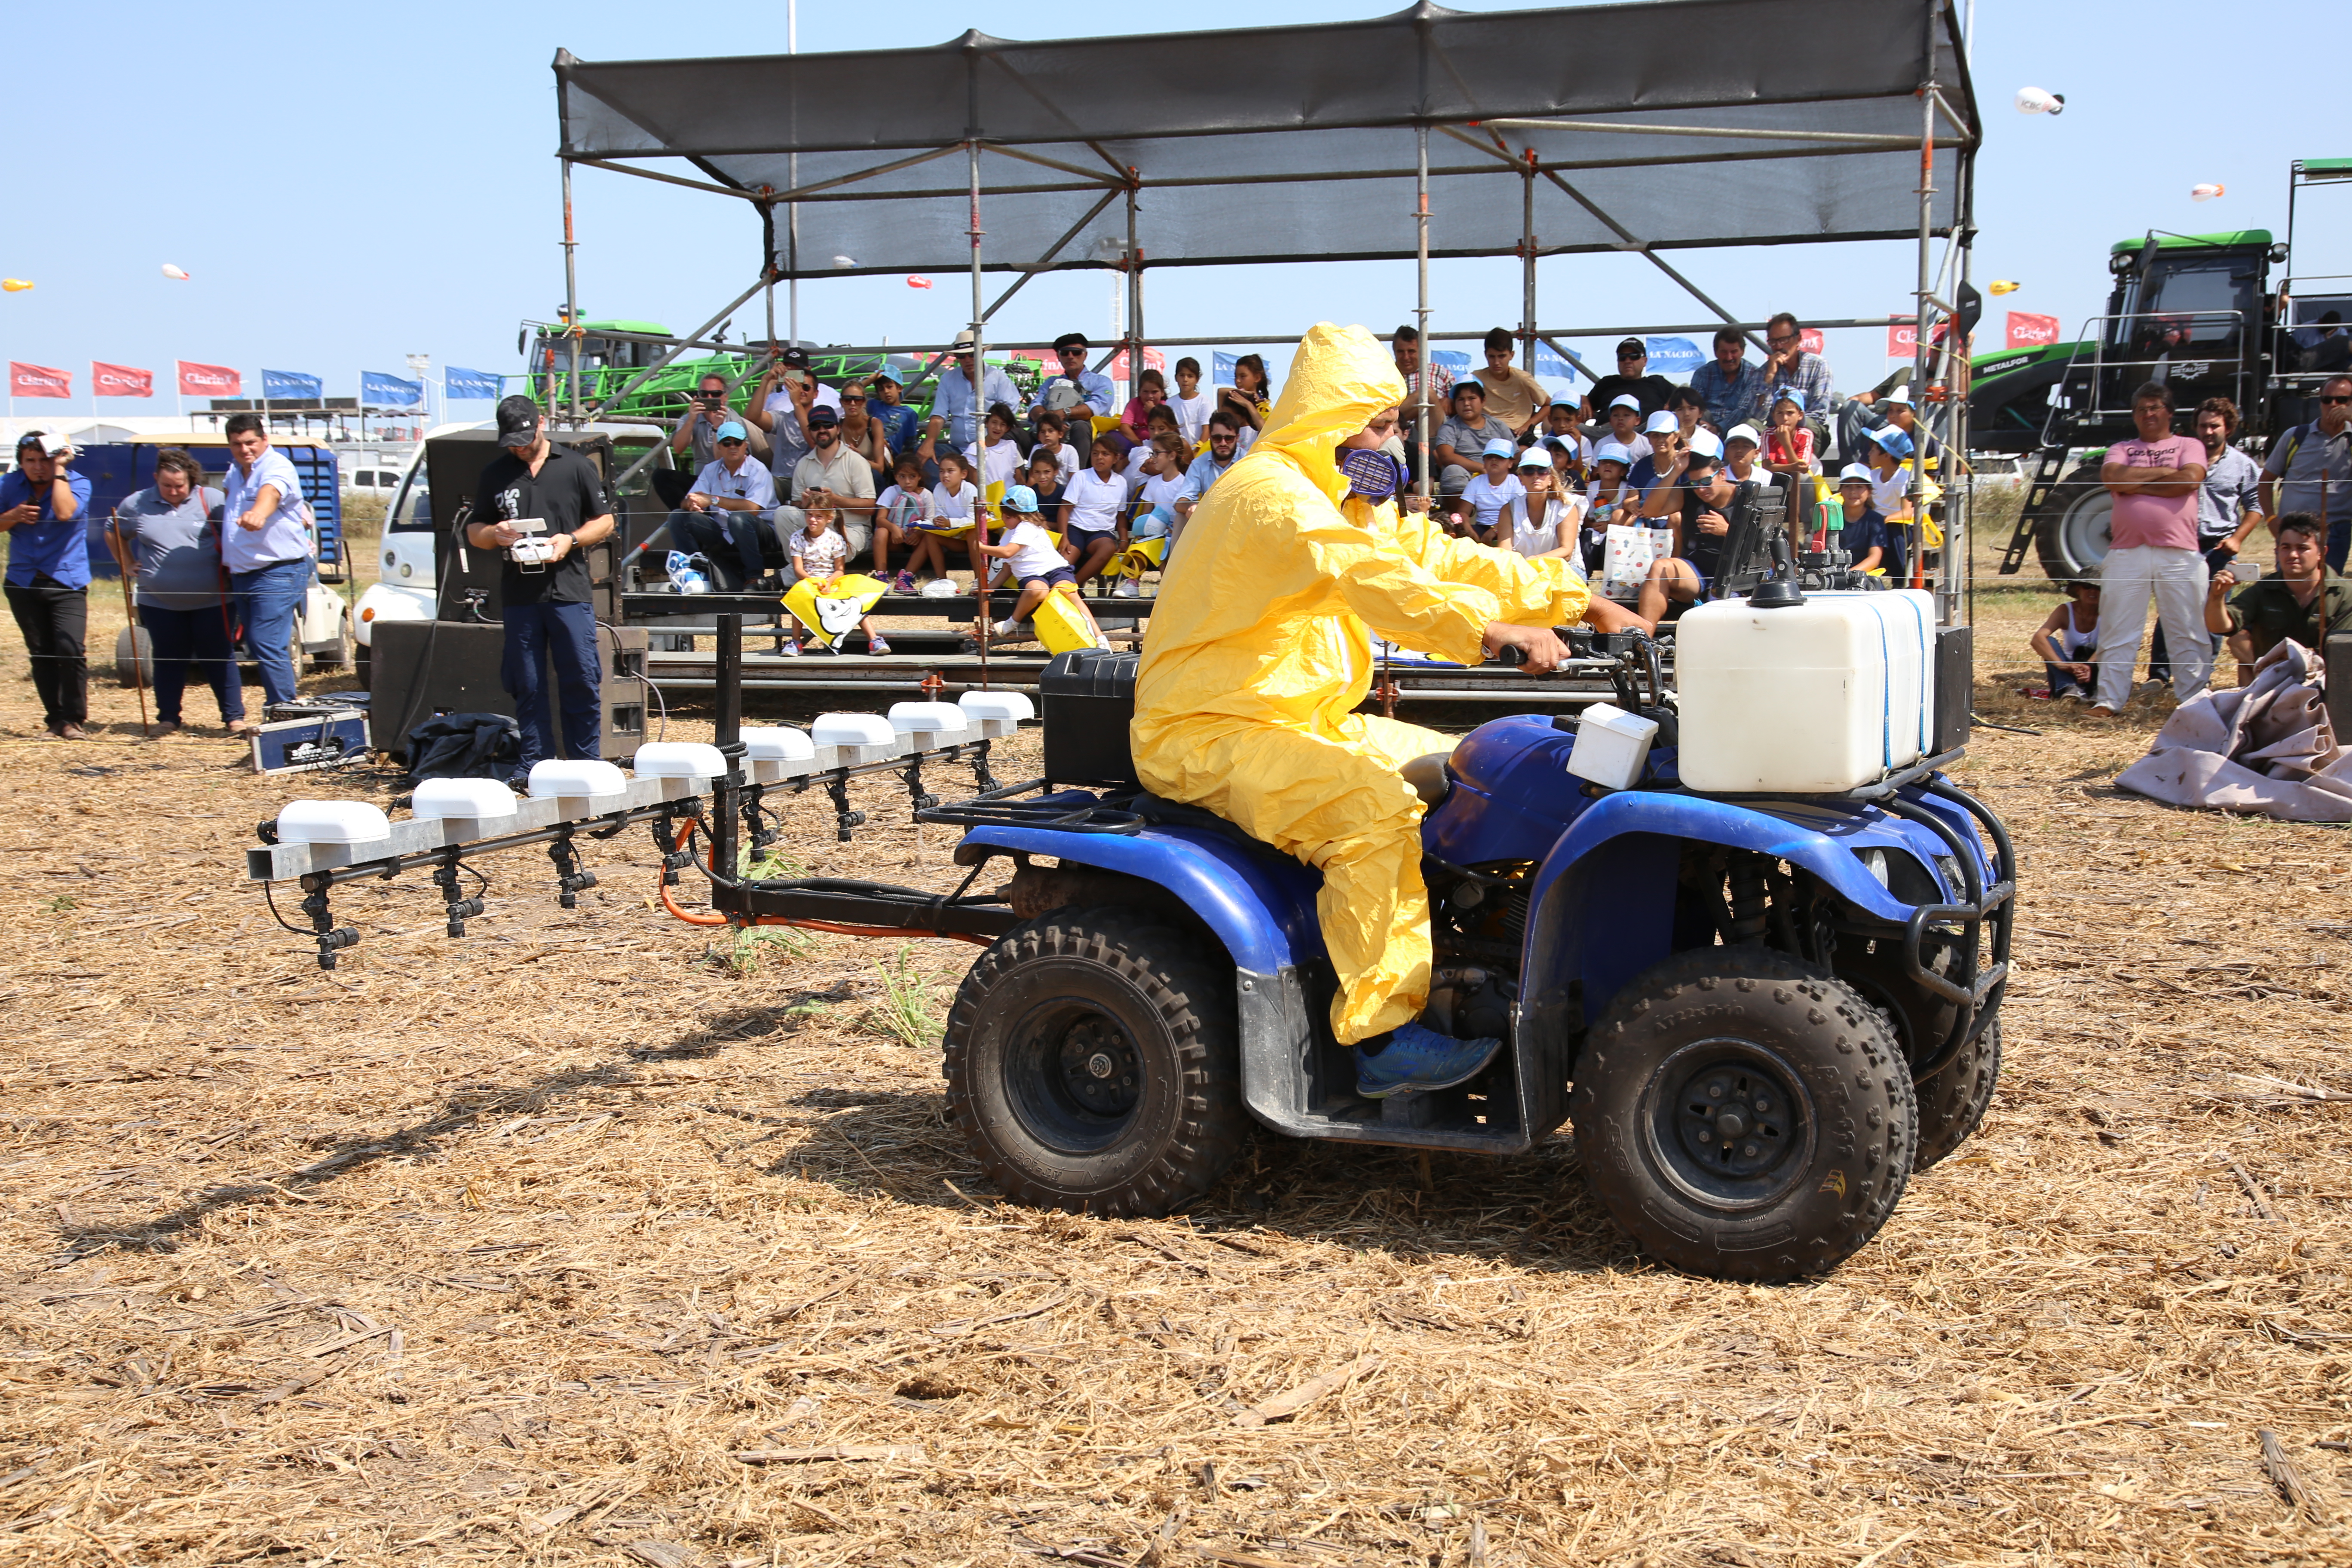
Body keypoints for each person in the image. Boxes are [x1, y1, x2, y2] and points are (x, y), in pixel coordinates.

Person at [1133, 323, 1583, 1096]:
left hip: (1299, 721)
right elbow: (1373, 578)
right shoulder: (1273, 497)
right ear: (1327, 418)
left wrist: (1578, 597)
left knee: (1479, 768)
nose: (1390, 439)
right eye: (1376, 422)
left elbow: (1433, 556)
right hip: (1209, 731)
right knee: (1374, 809)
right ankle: (1384, 1037)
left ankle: (1467, 951)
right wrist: (1489, 632)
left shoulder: (1336, 499)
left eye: (1392, 422)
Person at [466, 396, 615, 772]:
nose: (518, 447)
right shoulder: (495, 473)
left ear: (541, 424)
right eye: (510, 441)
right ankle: (535, 763)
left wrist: (571, 540)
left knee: (580, 677)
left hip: (569, 591)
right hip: (520, 595)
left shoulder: (577, 466)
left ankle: (585, 764)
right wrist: (493, 533)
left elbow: (605, 521)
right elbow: (474, 531)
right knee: (527, 682)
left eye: (524, 438)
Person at [2089, 382, 2209, 714]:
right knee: (2118, 628)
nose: (2148, 414)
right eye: (2141, 409)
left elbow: (2189, 481)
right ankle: (2109, 701)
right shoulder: (2121, 448)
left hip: (2180, 552)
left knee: (2187, 628)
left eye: (2155, 407)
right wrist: (2165, 475)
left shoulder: (2190, 444)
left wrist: (2136, 482)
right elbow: (2113, 478)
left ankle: (2195, 700)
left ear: (2169, 412)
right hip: (2128, 551)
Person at [107, 448, 240, 736]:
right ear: (156, 478)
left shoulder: (213, 500)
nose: (173, 491)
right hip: (159, 602)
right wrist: (127, 563)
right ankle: (168, 718)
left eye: (180, 486)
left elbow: (234, 534)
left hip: (214, 600)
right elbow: (113, 529)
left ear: (192, 480)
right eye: (166, 485)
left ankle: (233, 718)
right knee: (168, 658)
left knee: (219, 656)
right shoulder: (137, 503)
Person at [2151, 396, 2266, 687]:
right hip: (2181, 544)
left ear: (2228, 428)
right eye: (2203, 426)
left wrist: (2237, 539)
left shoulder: (2243, 465)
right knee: (2171, 610)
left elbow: (2257, 506)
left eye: (2215, 426)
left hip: (2219, 547)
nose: (2208, 432)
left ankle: (2201, 676)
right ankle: (2159, 676)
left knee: (2214, 611)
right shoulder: (2179, 459)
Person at [221, 413, 317, 714]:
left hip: (278, 570)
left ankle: (284, 709)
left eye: (251, 442)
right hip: (243, 571)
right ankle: (281, 706)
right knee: (258, 643)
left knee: (266, 641)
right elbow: (228, 499)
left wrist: (259, 513)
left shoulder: (277, 466)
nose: (245, 449)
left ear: (265, 440)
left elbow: (270, 493)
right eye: (237, 444)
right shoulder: (234, 472)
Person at [2, 432, 94, 738]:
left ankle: (74, 718)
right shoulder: (8, 485)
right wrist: (11, 516)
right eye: (31, 461)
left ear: (56, 458)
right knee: (40, 653)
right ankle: (55, 720)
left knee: (70, 649)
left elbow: (67, 512)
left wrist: (60, 471)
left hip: (67, 581)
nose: (38, 467)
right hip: (23, 581)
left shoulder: (78, 483)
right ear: (21, 463)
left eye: (45, 459)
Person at [2204, 514, 2352, 686]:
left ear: (2322, 553)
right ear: (2277, 550)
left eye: (2302, 548)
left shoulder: (2345, 594)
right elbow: (2219, 627)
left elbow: (2343, 654)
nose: (2293, 555)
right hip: (2271, 686)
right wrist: (2217, 596)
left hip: (2327, 685)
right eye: (2286, 547)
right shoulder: (2264, 589)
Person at [665, 421, 779, 590]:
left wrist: (713, 500)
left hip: (760, 533)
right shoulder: (711, 469)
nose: (732, 447)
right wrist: (690, 503)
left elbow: (753, 509)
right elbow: (690, 498)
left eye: (738, 442)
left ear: (746, 444)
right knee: (678, 516)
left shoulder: (758, 469)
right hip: (723, 531)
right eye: (727, 443)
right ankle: (691, 573)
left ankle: (754, 577)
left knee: (739, 519)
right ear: (719, 447)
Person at [2261, 374, 2352, 570]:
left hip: (2336, 531)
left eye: (2342, 400)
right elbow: (2266, 481)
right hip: (2294, 529)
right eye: (2327, 399)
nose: (2333, 405)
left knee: (2327, 592)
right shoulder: (2295, 436)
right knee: (2289, 590)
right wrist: (2271, 520)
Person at [1635, 445, 1735, 623]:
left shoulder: (1748, 495)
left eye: (1706, 482)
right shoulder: (1688, 493)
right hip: (1697, 572)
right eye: (1694, 484)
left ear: (1722, 474)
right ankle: (1643, 639)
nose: (1700, 489)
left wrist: (1728, 531)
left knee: (1719, 604)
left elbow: (1764, 543)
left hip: (1736, 575)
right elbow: (1650, 510)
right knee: (1660, 568)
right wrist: (1675, 472)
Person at [979, 485, 1089, 642]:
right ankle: (1012, 622)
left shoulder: (1026, 527)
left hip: (1056, 570)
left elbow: (1008, 552)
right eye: (1004, 514)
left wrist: (981, 548)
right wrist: (987, 589)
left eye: (1008, 516)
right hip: (1034, 578)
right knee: (1037, 590)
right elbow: (1006, 569)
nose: (1004, 519)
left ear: (1024, 516)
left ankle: (1097, 636)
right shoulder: (1009, 534)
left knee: (1068, 592)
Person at [790, 406, 879, 563]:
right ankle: (798, 570)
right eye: (816, 426)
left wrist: (835, 500)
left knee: (827, 545)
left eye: (828, 425)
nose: (822, 430)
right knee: (784, 513)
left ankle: (786, 577)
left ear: (838, 429)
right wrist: (805, 505)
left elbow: (870, 507)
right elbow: (797, 502)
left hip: (852, 528)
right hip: (815, 526)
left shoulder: (856, 461)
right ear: (810, 432)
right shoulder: (803, 464)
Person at [747, 346, 842, 483]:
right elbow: (752, 417)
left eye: (805, 387)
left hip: (809, 482)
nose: (800, 390)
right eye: (789, 371)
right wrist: (766, 380)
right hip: (780, 480)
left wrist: (797, 403)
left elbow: (813, 442)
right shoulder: (782, 417)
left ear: (816, 393)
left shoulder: (823, 421)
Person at [933, 330, 1023, 452]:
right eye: (961, 356)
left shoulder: (999, 378)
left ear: (982, 353)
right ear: (957, 358)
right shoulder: (947, 379)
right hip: (958, 449)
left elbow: (1007, 414)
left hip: (991, 447)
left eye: (972, 354)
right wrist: (928, 444)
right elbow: (938, 415)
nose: (967, 359)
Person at [1059, 438, 1128, 588]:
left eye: (1105, 454)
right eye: (1095, 453)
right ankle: (1056, 588)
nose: (1099, 458)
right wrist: (1064, 538)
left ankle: (1073, 586)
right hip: (1076, 529)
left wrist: (1124, 540)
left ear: (1116, 458)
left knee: (1108, 547)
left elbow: (1121, 515)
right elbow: (1065, 509)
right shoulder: (1081, 476)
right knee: (1064, 562)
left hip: (1101, 533)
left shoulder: (1121, 482)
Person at [1392, 325, 1454, 484]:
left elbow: (1461, 400)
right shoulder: (1386, 375)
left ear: (1421, 351)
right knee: (1424, 397)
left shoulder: (1438, 371)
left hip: (1433, 432)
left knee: (1428, 395)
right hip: (1395, 432)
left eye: (1411, 351)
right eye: (1401, 352)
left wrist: (1449, 400)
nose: (1406, 357)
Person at [671, 371, 767, 472]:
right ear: (698, 396)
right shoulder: (690, 417)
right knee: (662, 476)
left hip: (727, 476)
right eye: (704, 394)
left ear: (725, 397)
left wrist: (717, 428)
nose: (709, 398)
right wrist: (691, 421)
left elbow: (723, 460)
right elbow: (678, 449)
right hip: (701, 479)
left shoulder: (733, 420)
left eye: (716, 394)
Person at [875, 451, 942, 590]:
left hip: (915, 542)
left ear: (919, 477)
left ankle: (905, 578)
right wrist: (894, 529)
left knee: (929, 537)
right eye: (902, 477)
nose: (907, 482)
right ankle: (881, 577)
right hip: (895, 541)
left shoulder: (926, 495)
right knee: (881, 532)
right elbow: (880, 519)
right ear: (896, 477)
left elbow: (930, 522)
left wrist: (919, 534)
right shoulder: (891, 491)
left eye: (912, 477)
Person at [1433, 380, 1514, 494]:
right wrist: (1482, 468)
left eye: (1472, 398)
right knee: (1452, 471)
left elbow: (1514, 454)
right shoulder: (1449, 428)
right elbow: (1446, 456)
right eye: (1461, 400)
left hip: (1497, 474)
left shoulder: (1499, 426)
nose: (1466, 403)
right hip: (1465, 476)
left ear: (1483, 401)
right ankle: (1459, 512)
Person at [2030, 579, 2101, 701]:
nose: (2093, 591)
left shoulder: (2111, 613)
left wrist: (2088, 665)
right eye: (2087, 586)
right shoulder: (2065, 610)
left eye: (2099, 587)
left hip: (2097, 670)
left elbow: (2112, 644)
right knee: (2049, 642)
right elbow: (2038, 639)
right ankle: (2069, 688)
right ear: (2078, 590)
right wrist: (2062, 665)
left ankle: (2098, 691)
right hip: (2067, 671)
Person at [1173, 410, 1244, 532]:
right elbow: (1180, 502)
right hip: (1209, 520)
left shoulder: (1248, 461)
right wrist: (1191, 506)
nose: (1223, 443)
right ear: (1210, 437)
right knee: (1181, 518)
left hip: (1240, 520)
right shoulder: (1199, 463)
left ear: (1237, 438)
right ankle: (1175, 552)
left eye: (1229, 439)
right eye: (1217, 438)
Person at [1508, 446, 1581, 563]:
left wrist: (1534, 560)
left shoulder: (1567, 506)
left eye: (1542, 471)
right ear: (1520, 478)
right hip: (1521, 569)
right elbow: (1505, 552)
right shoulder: (1509, 509)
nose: (1536, 475)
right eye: (1529, 470)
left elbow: (1567, 552)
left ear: (1551, 478)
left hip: (1565, 569)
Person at [1760, 313, 1836, 424]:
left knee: (1810, 425)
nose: (1779, 346)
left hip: (1808, 429)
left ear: (1798, 340)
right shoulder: (1765, 371)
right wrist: (1769, 378)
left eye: (1784, 340)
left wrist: (1790, 428)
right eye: (1773, 342)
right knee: (1750, 424)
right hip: (1774, 430)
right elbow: (1757, 416)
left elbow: (1819, 412)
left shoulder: (1818, 365)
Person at [1689, 328, 1768, 434]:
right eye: (1724, 352)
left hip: (1739, 429)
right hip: (1707, 427)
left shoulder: (1753, 374)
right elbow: (1694, 405)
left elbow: (1744, 410)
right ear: (1716, 352)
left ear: (1742, 352)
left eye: (1734, 352)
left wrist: (1718, 428)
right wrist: (1701, 423)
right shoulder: (1703, 374)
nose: (1729, 357)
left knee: (1750, 423)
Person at [1029, 332, 1115, 427]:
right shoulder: (1050, 382)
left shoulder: (1101, 381)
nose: (1070, 357)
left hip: (1089, 433)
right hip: (1053, 431)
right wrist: (1051, 421)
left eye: (1076, 352)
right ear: (1058, 357)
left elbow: (1099, 407)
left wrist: (1064, 413)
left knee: (1080, 426)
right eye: (1065, 353)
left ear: (1085, 355)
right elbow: (1036, 405)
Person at [1473, 328, 1545, 436]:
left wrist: (1528, 426)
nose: (1497, 362)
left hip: (1517, 435)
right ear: (1485, 355)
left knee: (1524, 452)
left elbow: (1548, 405)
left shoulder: (1523, 378)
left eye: (1502, 356)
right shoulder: (1476, 378)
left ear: (1512, 355)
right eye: (1492, 357)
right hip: (1485, 434)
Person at [1834, 462, 1902, 578]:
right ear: (1841, 490)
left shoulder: (1875, 520)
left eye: (1859, 487)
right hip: (1833, 574)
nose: (1853, 492)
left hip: (1863, 576)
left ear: (1869, 491)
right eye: (1848, 486)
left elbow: (1874, 558)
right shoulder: (1832, 517)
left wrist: (1848, 575)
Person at [1583, 338, 1676, 421]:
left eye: (1634, 356)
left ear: (1645, 361)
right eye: (1622, 357)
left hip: (1647, 433)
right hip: (1606, 434)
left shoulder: (1658, 382)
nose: (1628, 361)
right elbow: (1585, 403)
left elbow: (1684, 397)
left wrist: (1670, 405)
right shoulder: (1606, 383)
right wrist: (1583, 400)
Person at [1454, 438, 1525, 542]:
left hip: (1510, 525)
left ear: (1510, 463)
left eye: (1500, 458)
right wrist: (1470, 531)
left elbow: (1520, 512)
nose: (1494, 460)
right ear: (1484, 462)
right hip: (1481, 527)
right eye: (1489, 457)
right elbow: (1463, 512)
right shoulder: (1476, 482)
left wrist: (1495, 530)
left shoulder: (1516, 482)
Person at [836, 381, 892, 488]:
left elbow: (880, 468)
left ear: (864, 403)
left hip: (870, 478)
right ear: (841, 402)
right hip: (844, 477)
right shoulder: (837, 427)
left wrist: (855, 458)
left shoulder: (875, 424)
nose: (853, 403)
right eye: (847, 400)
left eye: (858, 400)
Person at [866, 366, 922, 471]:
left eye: (889, 387)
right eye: (881, 389)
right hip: (870, 452)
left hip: (890, 459)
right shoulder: (874, 405)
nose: (886, 392)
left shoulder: (909, 413)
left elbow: (910, 444)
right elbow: (851, 395)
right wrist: (870, 380)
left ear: (900, 388)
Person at [964, 402, 1025, 495]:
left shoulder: (1011, 446)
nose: (998, 428)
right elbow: (975, 482)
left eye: (1003, 425)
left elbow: (1019, 478)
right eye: (994, 422)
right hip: (986, 500)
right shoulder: (974, 449)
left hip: (1009, 500)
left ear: (1007, 428)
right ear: (987, 423)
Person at [1763, 392, 1816, 479]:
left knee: (1804, 479)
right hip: (1776, 477)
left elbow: (1801, 469)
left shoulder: (1806, 435)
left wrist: (1786, 443)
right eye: (1780, 413)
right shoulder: (1768, 434)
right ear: (1774, 416)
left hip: (1798, 479)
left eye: (1790, 413)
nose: (1785, 419)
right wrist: (1793, 467)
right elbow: (1768, 467)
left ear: (1800, 415)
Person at [1118, 368, 1169, 449]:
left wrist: (1153, 412)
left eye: (1154, 392)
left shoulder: (1166, 406)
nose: (1150, 396)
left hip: (1159, 446)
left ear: (1162, 392)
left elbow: (1168, 430)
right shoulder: (1134, 403)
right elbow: (1125, 427)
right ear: (1139, 392)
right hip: (1136, 444)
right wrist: (1141, 446)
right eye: (1146, 392)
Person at [1169, 357, 1216, 444]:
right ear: (1176, 378)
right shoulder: (1170, 403)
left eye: (1190, 376)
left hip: (1200, 452)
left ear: (1197, 380)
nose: (1185, 380)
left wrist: (1198, 450)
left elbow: (1207, 429)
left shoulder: (1204, 401)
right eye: (1182, 375)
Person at [1600, 394, 1653, 466]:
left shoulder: (1646, 443)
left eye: (1626, 415)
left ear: (1637, 420)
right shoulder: (1603, 444)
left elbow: (1651, 468)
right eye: (1616, 415)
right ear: (1611, 421)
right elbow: (1596, 471)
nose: (1621, 419)